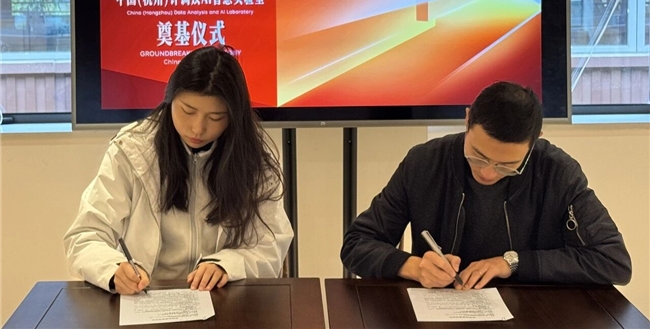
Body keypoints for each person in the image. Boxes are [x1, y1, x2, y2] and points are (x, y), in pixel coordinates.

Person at [341, 81, 631, 289]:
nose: (489, 173)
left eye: (507, 165)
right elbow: (357, 243)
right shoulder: (425, 162)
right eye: (478, 156)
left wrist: (513, 263)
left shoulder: (556, 172)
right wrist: (413, 267)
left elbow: (613, 260)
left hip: (533, 314)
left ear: (535, 141)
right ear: (467, 120)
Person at [64, 45, 293, 295]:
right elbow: (86, 234)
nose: (197, 128)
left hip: (221, 297)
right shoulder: (132, 151)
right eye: (188, 111)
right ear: (170, 99)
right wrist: (113, 268)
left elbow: (271, 245)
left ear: (234, 117)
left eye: (215, 117)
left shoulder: (252, 160)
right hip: (146, 296)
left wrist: (227, 265)